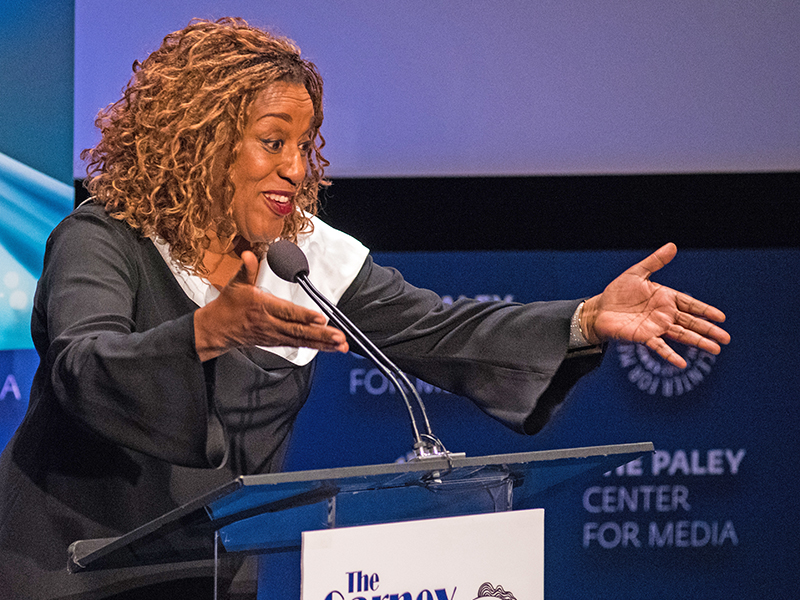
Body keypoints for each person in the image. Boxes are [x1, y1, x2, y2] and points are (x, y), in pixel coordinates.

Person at [0, 17, 729, 600]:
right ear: (202, 143)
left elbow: (439, 330)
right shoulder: (106, 239)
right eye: (272, 142)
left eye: (304, 145)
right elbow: (83, 365)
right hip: (67, 566)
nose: (296, 168)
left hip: (208, 577)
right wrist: (203, 332)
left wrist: (583, 319)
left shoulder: (304, 258)